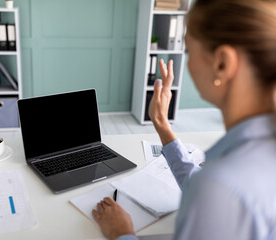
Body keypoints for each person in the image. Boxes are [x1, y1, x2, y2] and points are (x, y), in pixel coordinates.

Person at [92, 0, 276, 239]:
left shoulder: (221, 186)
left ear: (222, 63)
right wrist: (163, 127)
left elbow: (214, 192)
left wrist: (122, 234)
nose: (186, 64)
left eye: (188, 51)